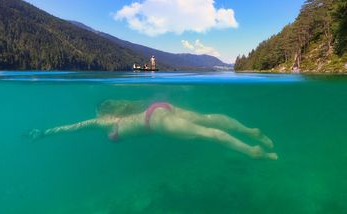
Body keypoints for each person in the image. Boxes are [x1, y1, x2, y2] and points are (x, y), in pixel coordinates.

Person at [28, 100, 278, 160]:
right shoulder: (125, 109)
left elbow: (73, 128)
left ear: (101, 113)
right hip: (159, 109)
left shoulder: (103, 122)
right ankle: (249, 130)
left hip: (154, 122)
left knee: (206, 133)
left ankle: (253, 151)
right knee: (208, 119)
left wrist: (45, 132)